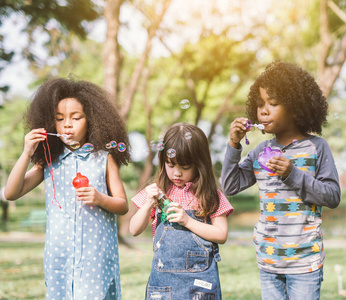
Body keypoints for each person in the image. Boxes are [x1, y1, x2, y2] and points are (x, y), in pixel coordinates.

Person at [221, 61, 341, 300]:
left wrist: (293, 174)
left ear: (296, 108)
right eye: (259, 104)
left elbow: (333, 196)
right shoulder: (259, 152)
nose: (263, 111)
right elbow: (230, 185)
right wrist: (234, 145)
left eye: (273, 104)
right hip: (269, 258)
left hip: (305, 261)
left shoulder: (317, 147)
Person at [5, 78, 131, 300]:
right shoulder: (49, 161)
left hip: (95, 254)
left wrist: (101, 198)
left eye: (76, 117)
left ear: (91, 120)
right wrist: (26, 153)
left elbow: (122, 205)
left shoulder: (103, 159)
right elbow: (11, 192)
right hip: (59, 255)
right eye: (59, 119)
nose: (67, 125)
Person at [129, 123, 233, 299]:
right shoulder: (157, 191)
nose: (176, 173)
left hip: (199, 283)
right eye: (170, 165)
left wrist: (188, 221)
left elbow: (221, 234)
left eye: (184, 167)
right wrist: (147, 204)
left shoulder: (210, 195)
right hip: (163, 284)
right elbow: (134, 229)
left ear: (200, 165)